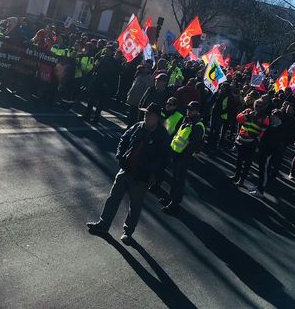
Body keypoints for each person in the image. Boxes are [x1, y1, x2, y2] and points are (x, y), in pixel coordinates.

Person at [87, 103, 169, 244]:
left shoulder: (162, 136)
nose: (146, 117)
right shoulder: (138, 126)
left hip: (141, 177)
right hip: (125, 170)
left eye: (149, 115)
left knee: (135, 206)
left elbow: (163, 160)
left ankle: (128, 232)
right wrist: (120, 156)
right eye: (145, 114)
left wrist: (152, 174)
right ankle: (103, 224)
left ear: (156, 118)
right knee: (113, 198)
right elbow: (124, 139)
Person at [160, 101, 205, 214]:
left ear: (197, 111)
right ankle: (170, 198)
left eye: (192, 109)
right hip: (175, 153)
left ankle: (174, 204)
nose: (189, 111)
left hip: (183, 158)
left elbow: (192, 146)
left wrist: (181, 155)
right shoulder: (186, 120)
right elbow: (177, 135)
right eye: (188, 108)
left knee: (179, 181)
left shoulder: (198, 126)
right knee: (174, 179)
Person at [231, 98, 270, 187]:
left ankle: (242, 180)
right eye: (256, 105)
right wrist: (248, 115)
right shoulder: (248, 111)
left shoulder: (265, 118)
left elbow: (263, 131)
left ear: (263, 107)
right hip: (241, 139)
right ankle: (236, 176)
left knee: (247, 163)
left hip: (251, 142)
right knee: (239, 160)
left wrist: (257, 140)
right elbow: (238, 118)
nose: (257, 107)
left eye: (260, 106)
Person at [251, 109, 285, 197]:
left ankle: (261, 190)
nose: (271, 116)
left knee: (264, 171)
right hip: (264, 149)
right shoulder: (272, 125)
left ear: (277, 117)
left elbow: (275, 142)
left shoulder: (280, 128)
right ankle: (259, 186)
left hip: (269, 152)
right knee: (261, 169)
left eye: (273, 115)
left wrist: (269, 152)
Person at [83, 45, 120, 124]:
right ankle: (87, 115)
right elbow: (95, 66)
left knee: (100, 103)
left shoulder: (114, 62)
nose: (106, 52)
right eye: (106, 50)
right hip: (96, 81)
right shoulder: (101, 57)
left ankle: (96, 119)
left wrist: (107, 84)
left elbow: (113, 75)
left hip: (104, 85)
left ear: (112, 52)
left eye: (108, 50)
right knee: (91, 100)